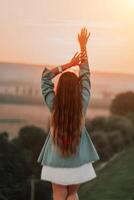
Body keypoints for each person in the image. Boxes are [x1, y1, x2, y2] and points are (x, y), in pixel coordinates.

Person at [37, 27, 100, 200]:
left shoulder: (54, 105)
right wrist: (83, 47)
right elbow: (86, 74)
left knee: (59, 195)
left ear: (60, 88)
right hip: (78, 161)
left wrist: (68, 65)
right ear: (77, 89)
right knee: (72, 194)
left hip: (55, 161)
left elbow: (45, 78)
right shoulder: (82, 103)